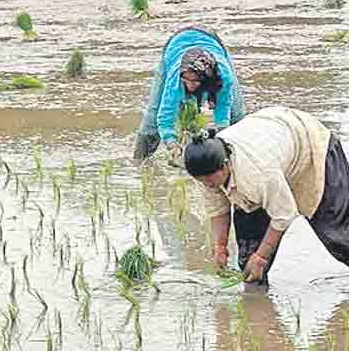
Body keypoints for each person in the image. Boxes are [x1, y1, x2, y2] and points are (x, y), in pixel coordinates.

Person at [185, 107, 349, 284]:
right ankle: (258, 305)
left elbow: (283, 215)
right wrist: (220, 248)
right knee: (249, 261)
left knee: (339, 238)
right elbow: (218, 209)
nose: (207, 183)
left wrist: (262, 256)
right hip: (271, 145)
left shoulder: (257, 173)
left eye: (210, 178)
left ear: (225, 165)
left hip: (307, 143)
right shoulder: (206, 170)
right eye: (201, 180)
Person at [133, 26, 245, 164]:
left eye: (195, 81)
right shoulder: (176, 77)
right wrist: (171, 144)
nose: (190, 85)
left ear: (205, 79)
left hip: (213, 43)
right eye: (186, 81)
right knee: (151, 118)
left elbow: (223, 109)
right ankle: (139, 164)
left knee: (237, 115)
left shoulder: (222, 76)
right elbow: (165, 115)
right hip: (175, 45)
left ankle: (238, 160)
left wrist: (222, 140)